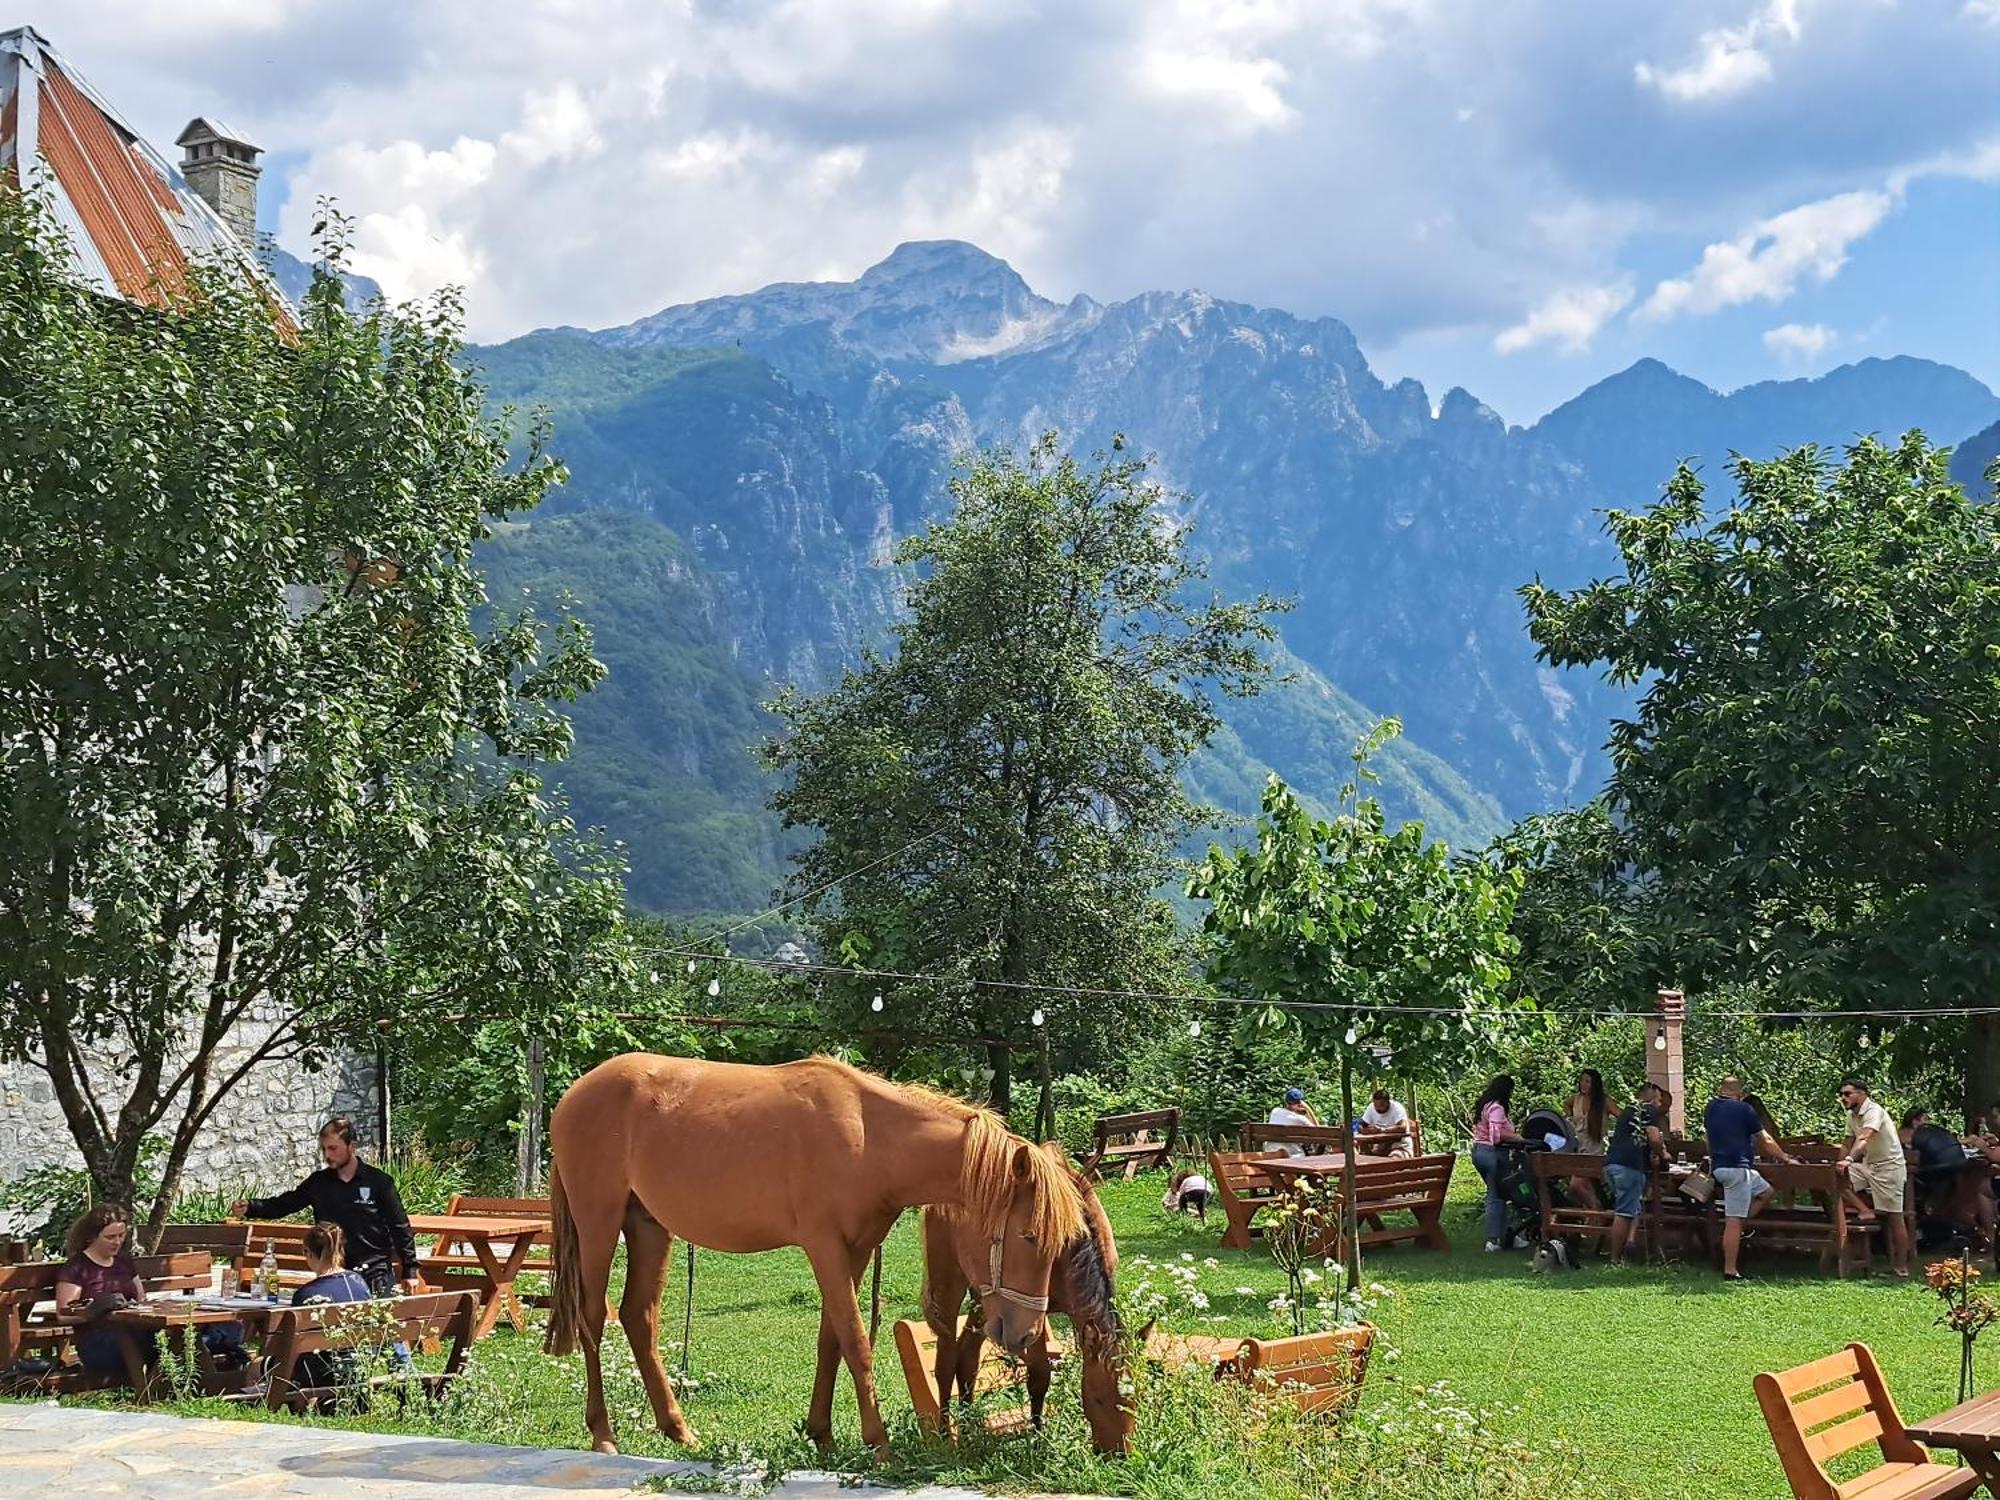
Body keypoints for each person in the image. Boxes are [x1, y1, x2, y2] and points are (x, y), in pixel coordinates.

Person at [232, 1117, 422, 1298]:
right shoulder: (319, 1183)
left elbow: (400, 1226)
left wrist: (410, 1269)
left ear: (352, 1146)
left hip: (373, 1271)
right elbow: (285, 1204)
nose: (327, 1155)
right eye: (324, 1149)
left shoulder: (379, 1182)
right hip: (332, 1272)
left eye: (333, 1148)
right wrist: (251, 1207)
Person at [1705, 1076, 1796, 1282]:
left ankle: (1736, 1233)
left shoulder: (1711, 1108)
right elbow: (1766, 1140)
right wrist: (1785, 1158)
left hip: (1722, 1167)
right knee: (1733, 1220)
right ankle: (1730, 1270)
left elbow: (1709, 1139)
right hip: (1737, 1169)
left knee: (1765, 1192)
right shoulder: (1744, 1110)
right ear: (1740, 1093)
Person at [53, 1203, 151, 1379]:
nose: (117, 1241)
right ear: (92, 1237)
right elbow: (63, 1314)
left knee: (176, 1335)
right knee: (158, 1342)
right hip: (99, 1343)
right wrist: (93, 1312)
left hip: (133, 1331)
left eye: (121, 1235)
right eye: (110, 1237)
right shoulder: (77, 1267)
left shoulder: (124, 1262)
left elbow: (141, 1298)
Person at [287, 1222, 376, 1401]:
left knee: (256, 1367)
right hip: (358, 1364)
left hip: (320, 1371)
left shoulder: (307, 1294)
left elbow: (292, 1347)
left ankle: (264, 1406)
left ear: (308, 1253)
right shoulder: (358, 1281)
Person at [1837, 1078, 1911, 1276]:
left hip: (1889, 1168)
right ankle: (1865, 1210)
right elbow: (1847, 1142)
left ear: (1862, 1094)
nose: (1843, 1098)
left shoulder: (1874, 1111)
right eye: (1841, 1094)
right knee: (1837, 1181)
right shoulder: (1851, 1115)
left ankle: (1901, 1267)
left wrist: (1850, 1159)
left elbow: (1864, 1137)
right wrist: (1839, 1164)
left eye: (1847, 1094)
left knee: (1895, 1217)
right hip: (1868, 1166)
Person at [1603, 1085, 1668, 1266]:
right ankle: (1615, 1259)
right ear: (1652, 1098)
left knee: (1630, 1207)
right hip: (1629, 1168)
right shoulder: (1649, 1110)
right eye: (1660, 1099)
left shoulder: (1628, 1111)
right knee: (1623, 1213)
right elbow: (1654, 1138)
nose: (1660, 1104)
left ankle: (1629, 1246)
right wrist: (1663, 1154)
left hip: (1611, 1164)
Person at [1470, 1073, 1528, 1252]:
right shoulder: (1497, 1108)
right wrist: (1518, 1138)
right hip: (1493, 1154)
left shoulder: (1485, 1105)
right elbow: (1496, 1136)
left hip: (1479, 1151)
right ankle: (1493, 1240)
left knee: (1502, 1194)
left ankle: (1507, 1236)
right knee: (1496, 1196)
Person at [1901, 1107, 1971, 1244]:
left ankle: (1936, 1220)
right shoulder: (1907, 1135)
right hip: (1923, 1173)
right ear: (1915, 1121)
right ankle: (1934, 1219)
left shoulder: (1926, 1135)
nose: (1927, 1123)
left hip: (1932, 1171)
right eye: (1924, 1119)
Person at [1565, 1069, 1616, 1206]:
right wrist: (1570, 1118)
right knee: (1578, 1189)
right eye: (1582, 1080)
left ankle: (1596, 1209)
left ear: (1595, 1084)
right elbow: (1566, 1104)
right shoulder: (1576, 1098)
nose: (1583, 1084)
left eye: (1588, 1081)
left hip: (1595, 1151)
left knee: (1576, 1184)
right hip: (1577, 1149)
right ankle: (1594, 1215)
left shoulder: (1603, 1101)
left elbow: (1621, 1114)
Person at [1357, 1087, 1415, 1158]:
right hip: (1380, 1147)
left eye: (1381, 1105)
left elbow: (1402, 1127)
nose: (1378, 1108)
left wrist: (1382, 1130)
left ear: (1387, 1102)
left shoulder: (1397, 1108)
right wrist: (1364, 1130)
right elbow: (1361, 1124)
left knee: (1394, 1159)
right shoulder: (1371, 1108)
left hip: (1400, 1145)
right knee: (1365, 1158)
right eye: (1376, 1105)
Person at [1266, 1088, 1320, 1157]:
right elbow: (1317, 1131)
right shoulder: (1300, 1119)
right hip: (1292, 1155)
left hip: (1271, 1151)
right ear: (1300, 1103)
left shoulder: (1275, 1111)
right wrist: (1308, 1109)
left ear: (1286, 1101)